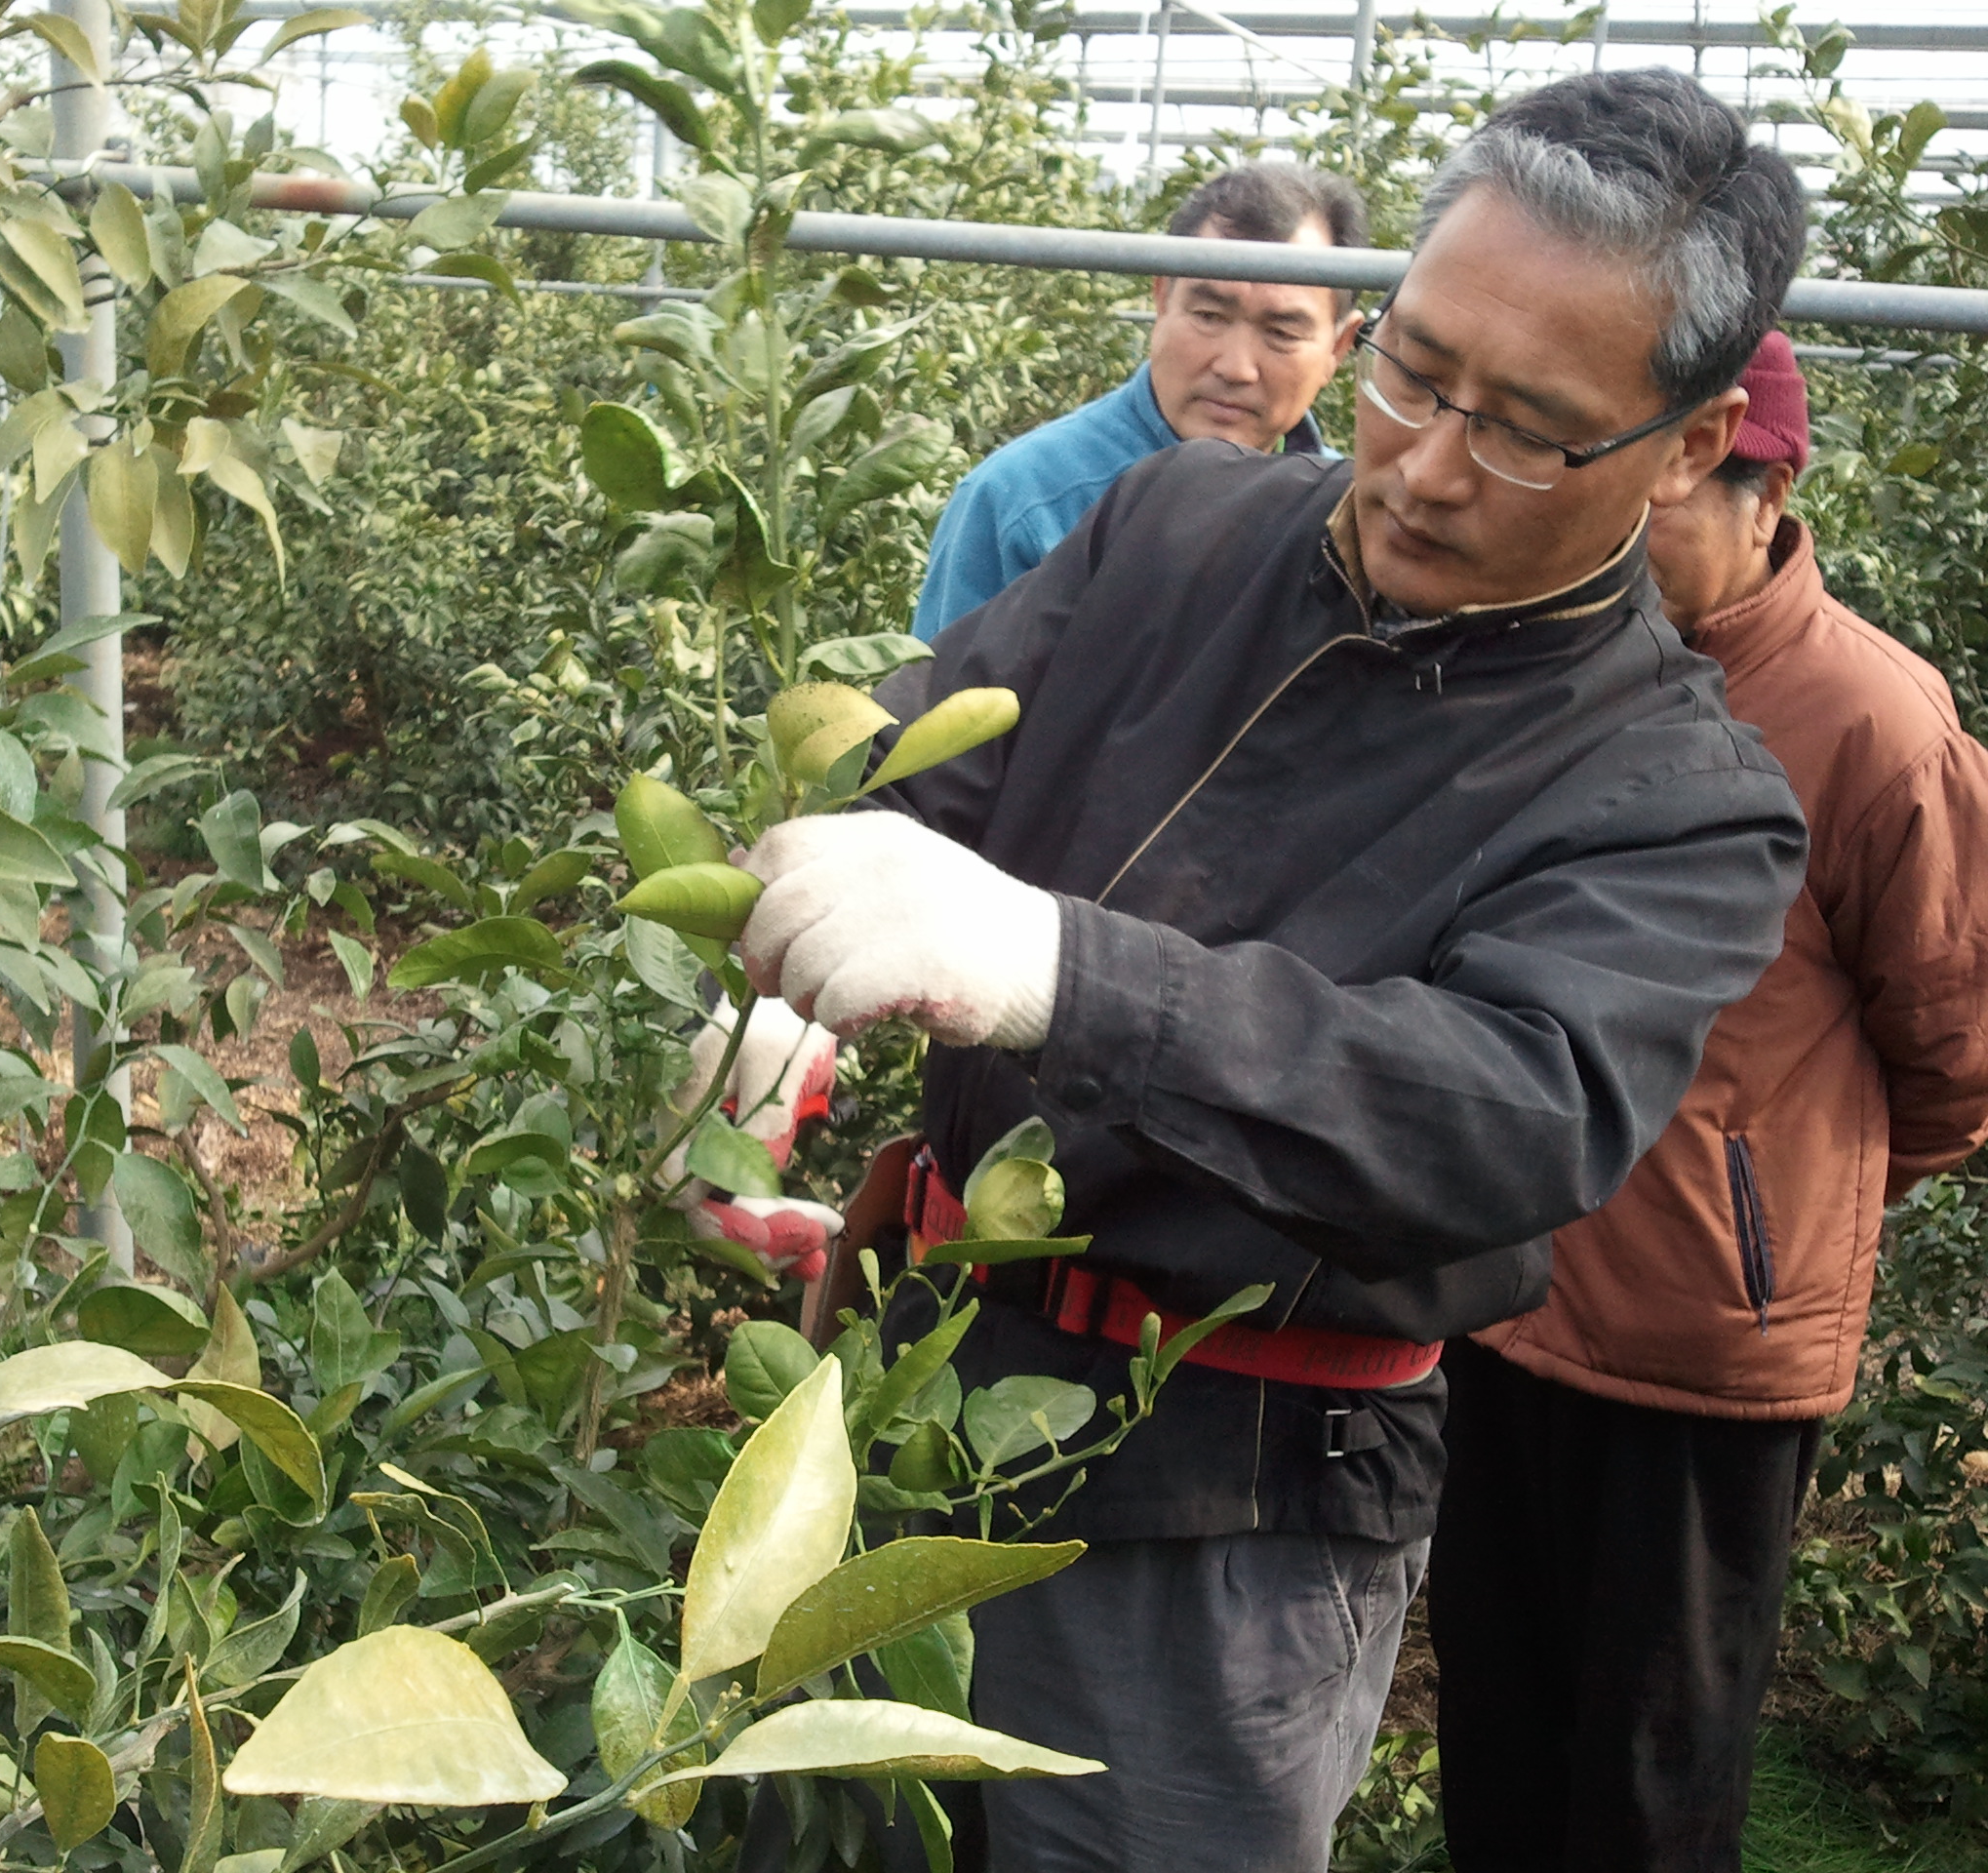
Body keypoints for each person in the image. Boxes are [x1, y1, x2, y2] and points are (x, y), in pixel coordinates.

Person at [727, 70, 1812, 1873]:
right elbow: (924, 766)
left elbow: (1504, 1112)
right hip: (914, 1399)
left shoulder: (1678, 800)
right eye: (1414, 373)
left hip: (1226, 1514)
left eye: (1530, 432)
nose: (1430, 462)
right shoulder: (1175, 533)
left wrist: (1056, 972)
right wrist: (775, 969)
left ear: (1691, 445)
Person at [1430, 334, 1988, 1873]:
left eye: (1656, 505)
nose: (1615, 542)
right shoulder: (1555, 670)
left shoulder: (1872, 722)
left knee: (1651, 1770)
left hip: (1697, 1346)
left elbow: (1952, 1047)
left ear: (1761, 485)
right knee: (1499, 1721)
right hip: (1512, 1291)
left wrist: (1768, 1208)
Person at [910, 162, 1372, 642]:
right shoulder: (1025, 501)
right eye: (1209, 315)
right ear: (1161, 299)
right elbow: (940, 708)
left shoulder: (1351, 523)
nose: (1236, 367)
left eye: (1280, 332)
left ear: (1338, 348)